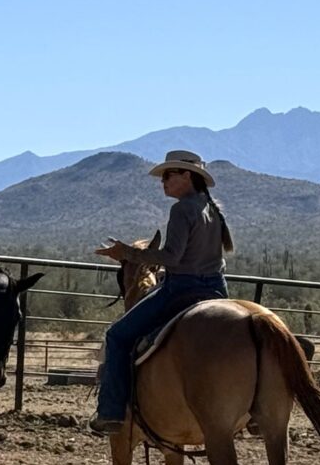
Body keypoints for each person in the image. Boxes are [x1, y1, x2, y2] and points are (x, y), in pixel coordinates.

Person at [90, 149, 234, 434]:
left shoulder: (182, 209)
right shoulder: (211, 208)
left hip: (182, 289)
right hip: (217, 289)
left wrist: (126, 253)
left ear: (187, 176)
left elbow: (172, 257)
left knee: (117, 336)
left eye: (168, 175)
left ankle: (111, 412)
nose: (163, 181)